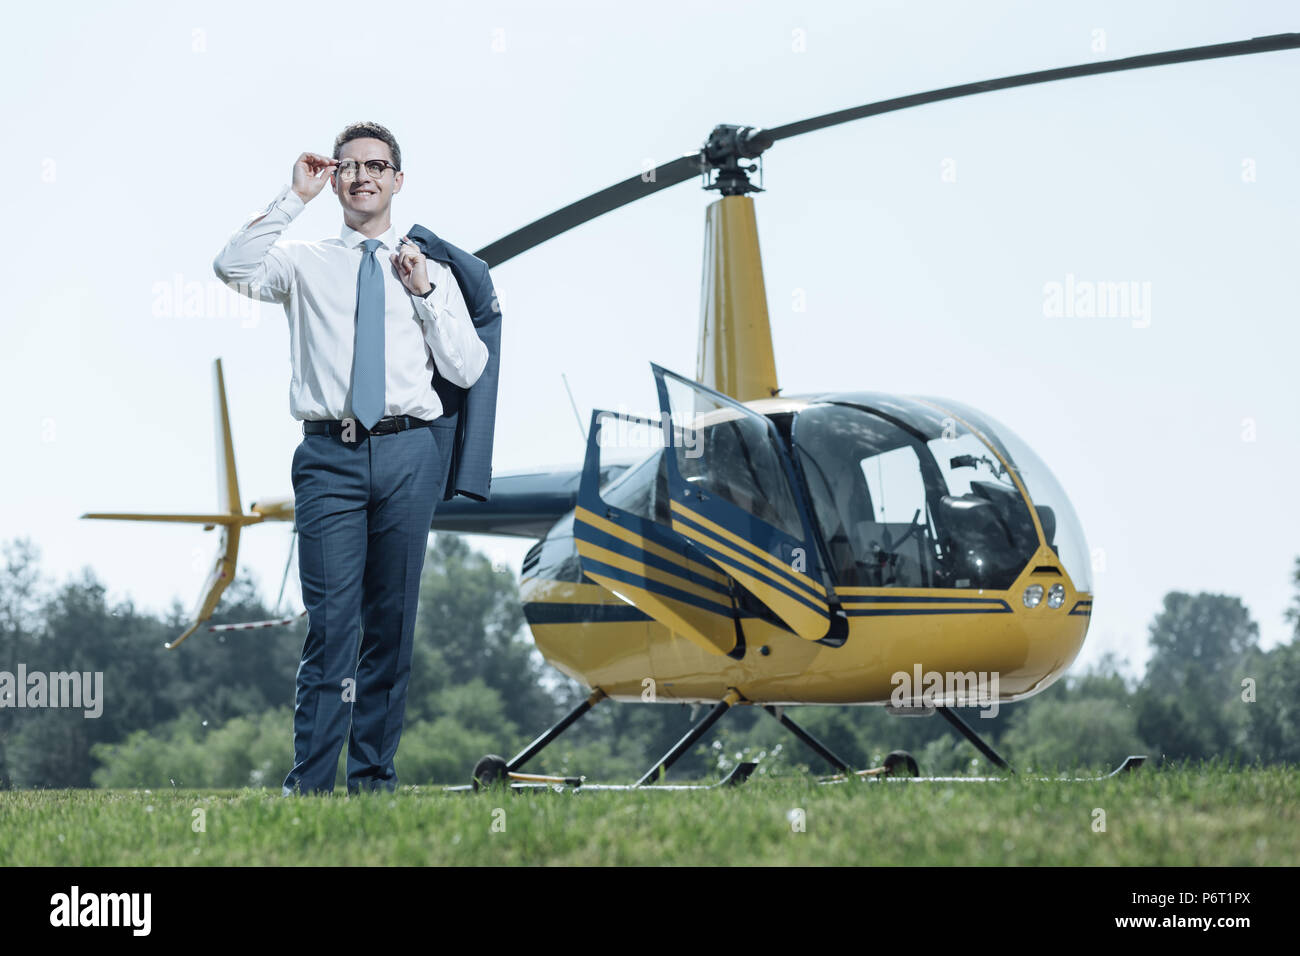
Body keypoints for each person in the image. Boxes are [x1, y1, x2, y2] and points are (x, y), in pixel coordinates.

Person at [212, 121, 489, 795]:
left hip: (407, 453)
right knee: (333, 626)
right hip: (328, 457)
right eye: (349, 167)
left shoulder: (433, 271)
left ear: (398, 179)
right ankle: (308, 786)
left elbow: (469, 366)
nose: (362, 176)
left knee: (391, 627)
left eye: (376, 165)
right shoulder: (303, 262)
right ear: (335, 178)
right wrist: (292, 197)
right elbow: (232, 266)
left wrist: (423, 293)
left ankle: (372, 782)